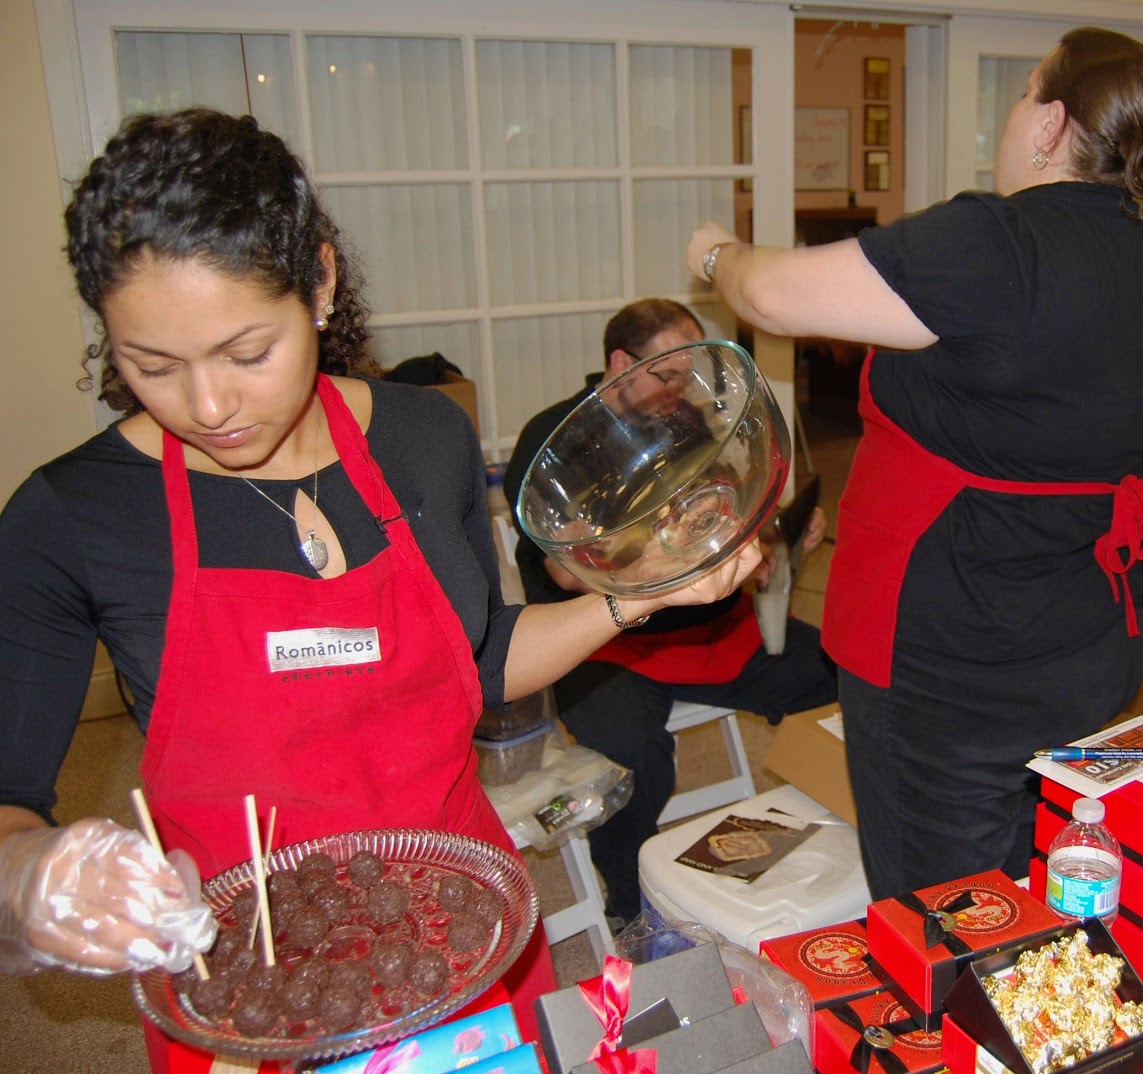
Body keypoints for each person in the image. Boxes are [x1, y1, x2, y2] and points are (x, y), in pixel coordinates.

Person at [0, 109, 757, 1071]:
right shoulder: (74, 515)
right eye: (152, 365)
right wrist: (32, 875)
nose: (207, 406)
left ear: (317, 283)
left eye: (244, 353)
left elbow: (475, 662)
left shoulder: (422, 441)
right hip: (248, 984)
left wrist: (637, 595)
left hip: (464, 936)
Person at [686, 27, 1143, 899]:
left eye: (1026, 92)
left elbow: (770, 293)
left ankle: (960, 1024)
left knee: (945, 912)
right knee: (1036, 858)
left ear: (1050, 123)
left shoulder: (997, 243)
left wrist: (715, 253)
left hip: (958, 651)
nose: (1015, 114)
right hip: (1085, 628)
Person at [505, 298, 837, 922]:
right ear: (620, 362)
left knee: (844, 667)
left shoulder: (686, 422)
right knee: (632, 763)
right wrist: (631, 553)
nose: (681, 389)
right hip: (605, 642)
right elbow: (561, 570)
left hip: (710, 625)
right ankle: (634, 916)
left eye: (688, 372)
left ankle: (835, 854)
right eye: (667, 374)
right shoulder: (554, 441)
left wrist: (774, 537)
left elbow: (724, 516)